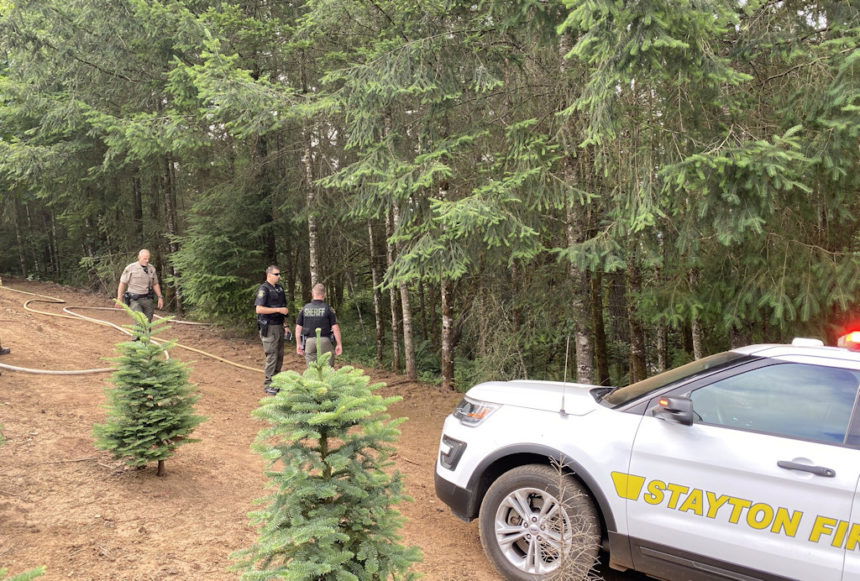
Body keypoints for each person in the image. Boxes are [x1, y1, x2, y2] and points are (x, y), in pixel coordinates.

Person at [255, 265, 289, 395]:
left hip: (279, 325)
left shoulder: (279, 289)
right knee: (272, 355)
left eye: (279, 274)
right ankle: (269, 384)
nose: (279, 276)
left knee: (280, 355)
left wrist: (286, 325)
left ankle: (277, 382)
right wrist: (278, 310)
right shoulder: (264, 289)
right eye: (276, 274)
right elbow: (259, 309)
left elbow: (283, 308)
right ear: (269, 275)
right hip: (269, 326)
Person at [296, 283, 342, 366]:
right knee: (327, 368)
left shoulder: (305, 308)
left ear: (312, 293)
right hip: (324, 341)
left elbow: (298, 328)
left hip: (309, 341)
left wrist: (299, 344)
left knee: (311, 369)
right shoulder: (328, 308)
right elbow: (335, 328)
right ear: (324, 294)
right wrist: (339, 344)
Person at [116, 249, 164, 322]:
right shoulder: (130, 268)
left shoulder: (151, 268)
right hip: (134, 300)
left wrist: (160, 297)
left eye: (148, 259)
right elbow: (123, 283)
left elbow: (155, 284)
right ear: (139, 257)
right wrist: (119, 298)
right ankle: (138, 329)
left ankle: (146, 330)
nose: (147, 260)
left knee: (147, 322)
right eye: (145, 259)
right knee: (139, 321)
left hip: (147, 299)